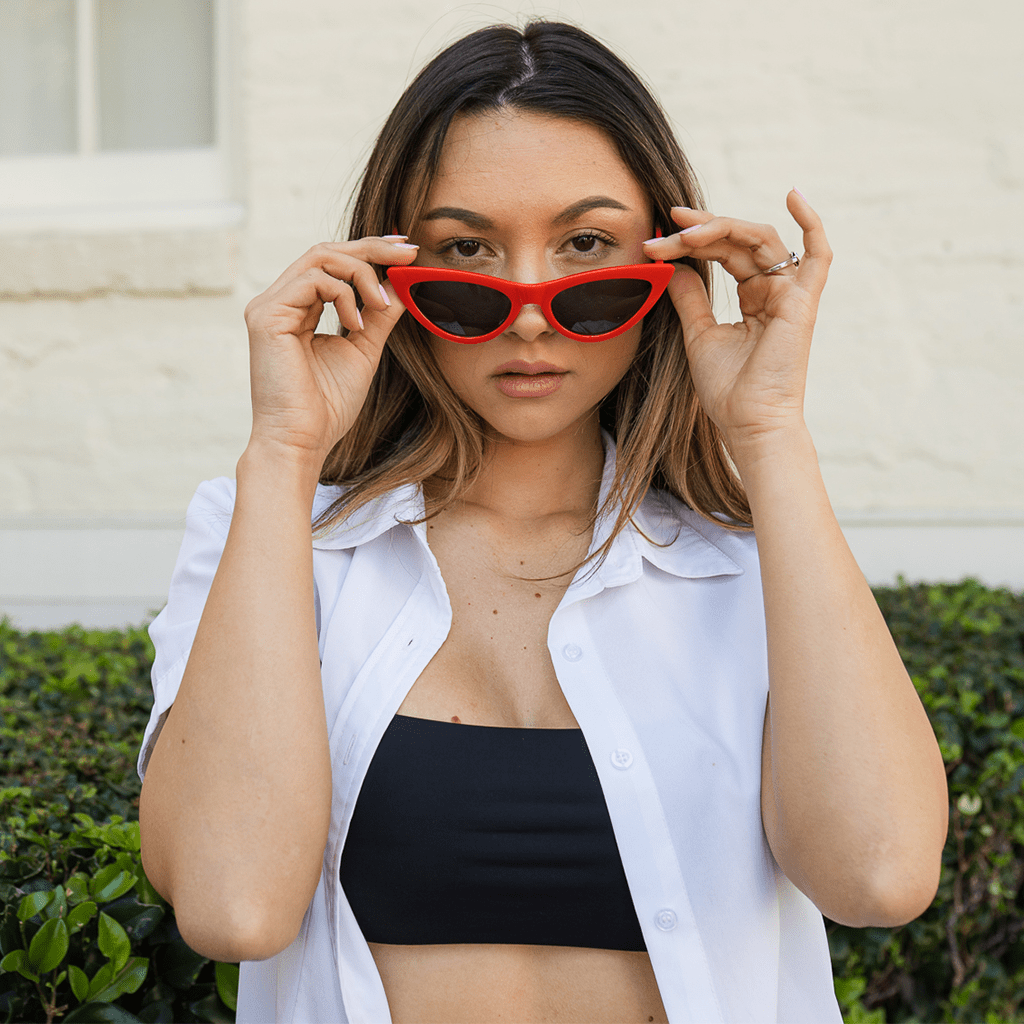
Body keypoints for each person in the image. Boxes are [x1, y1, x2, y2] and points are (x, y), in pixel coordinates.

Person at [136, 20, 949, 1024]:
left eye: (585, 246)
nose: (529, 308)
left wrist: (770, 432)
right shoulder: (265, 529)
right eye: (466, 249)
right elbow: (233, 903)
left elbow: (878, 874)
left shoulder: (748, 560)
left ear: (669, 265)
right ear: (389, 270)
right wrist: (283, 452)